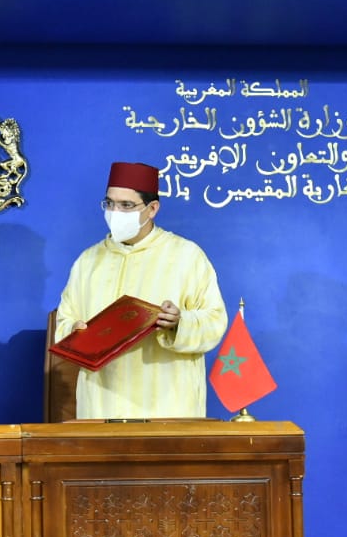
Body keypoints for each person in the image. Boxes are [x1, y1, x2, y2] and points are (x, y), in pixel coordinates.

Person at [54, 161, 226, 419]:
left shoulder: (187, 256)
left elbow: (214, 321)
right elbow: (65, 321)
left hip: (167, 404)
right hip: (101, 401)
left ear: (152, 208)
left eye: (126, 205)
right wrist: (74, 331)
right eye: (109, 203)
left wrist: (179, 323)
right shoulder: (88, 261)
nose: (115, 212)